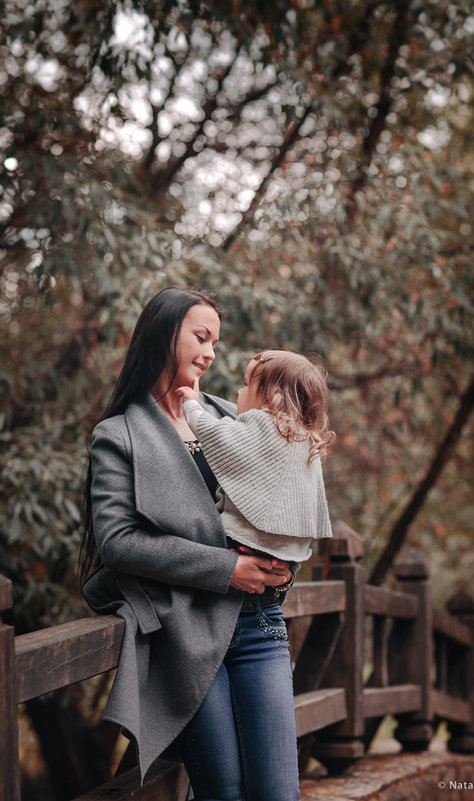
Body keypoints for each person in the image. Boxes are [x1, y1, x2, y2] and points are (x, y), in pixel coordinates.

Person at [79, 286, 330, 801]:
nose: (211, 352)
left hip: (258, 624)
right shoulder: (118, 435)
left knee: (280, 790)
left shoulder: (228, 415)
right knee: (224, 789)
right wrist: (225, 569)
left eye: (215, 340)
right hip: (185, 633)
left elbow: (282, 496)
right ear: (164, 335)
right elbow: (117, 542)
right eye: (201, 336)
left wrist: (282, 566)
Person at [176, 349, 335, 565]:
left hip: (239, 545)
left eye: (246, 384)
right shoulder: (307, 440)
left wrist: (192, 404)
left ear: (268, 400)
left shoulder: (262, 422)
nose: (239, 391)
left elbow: (215, 434)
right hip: (284, 559)